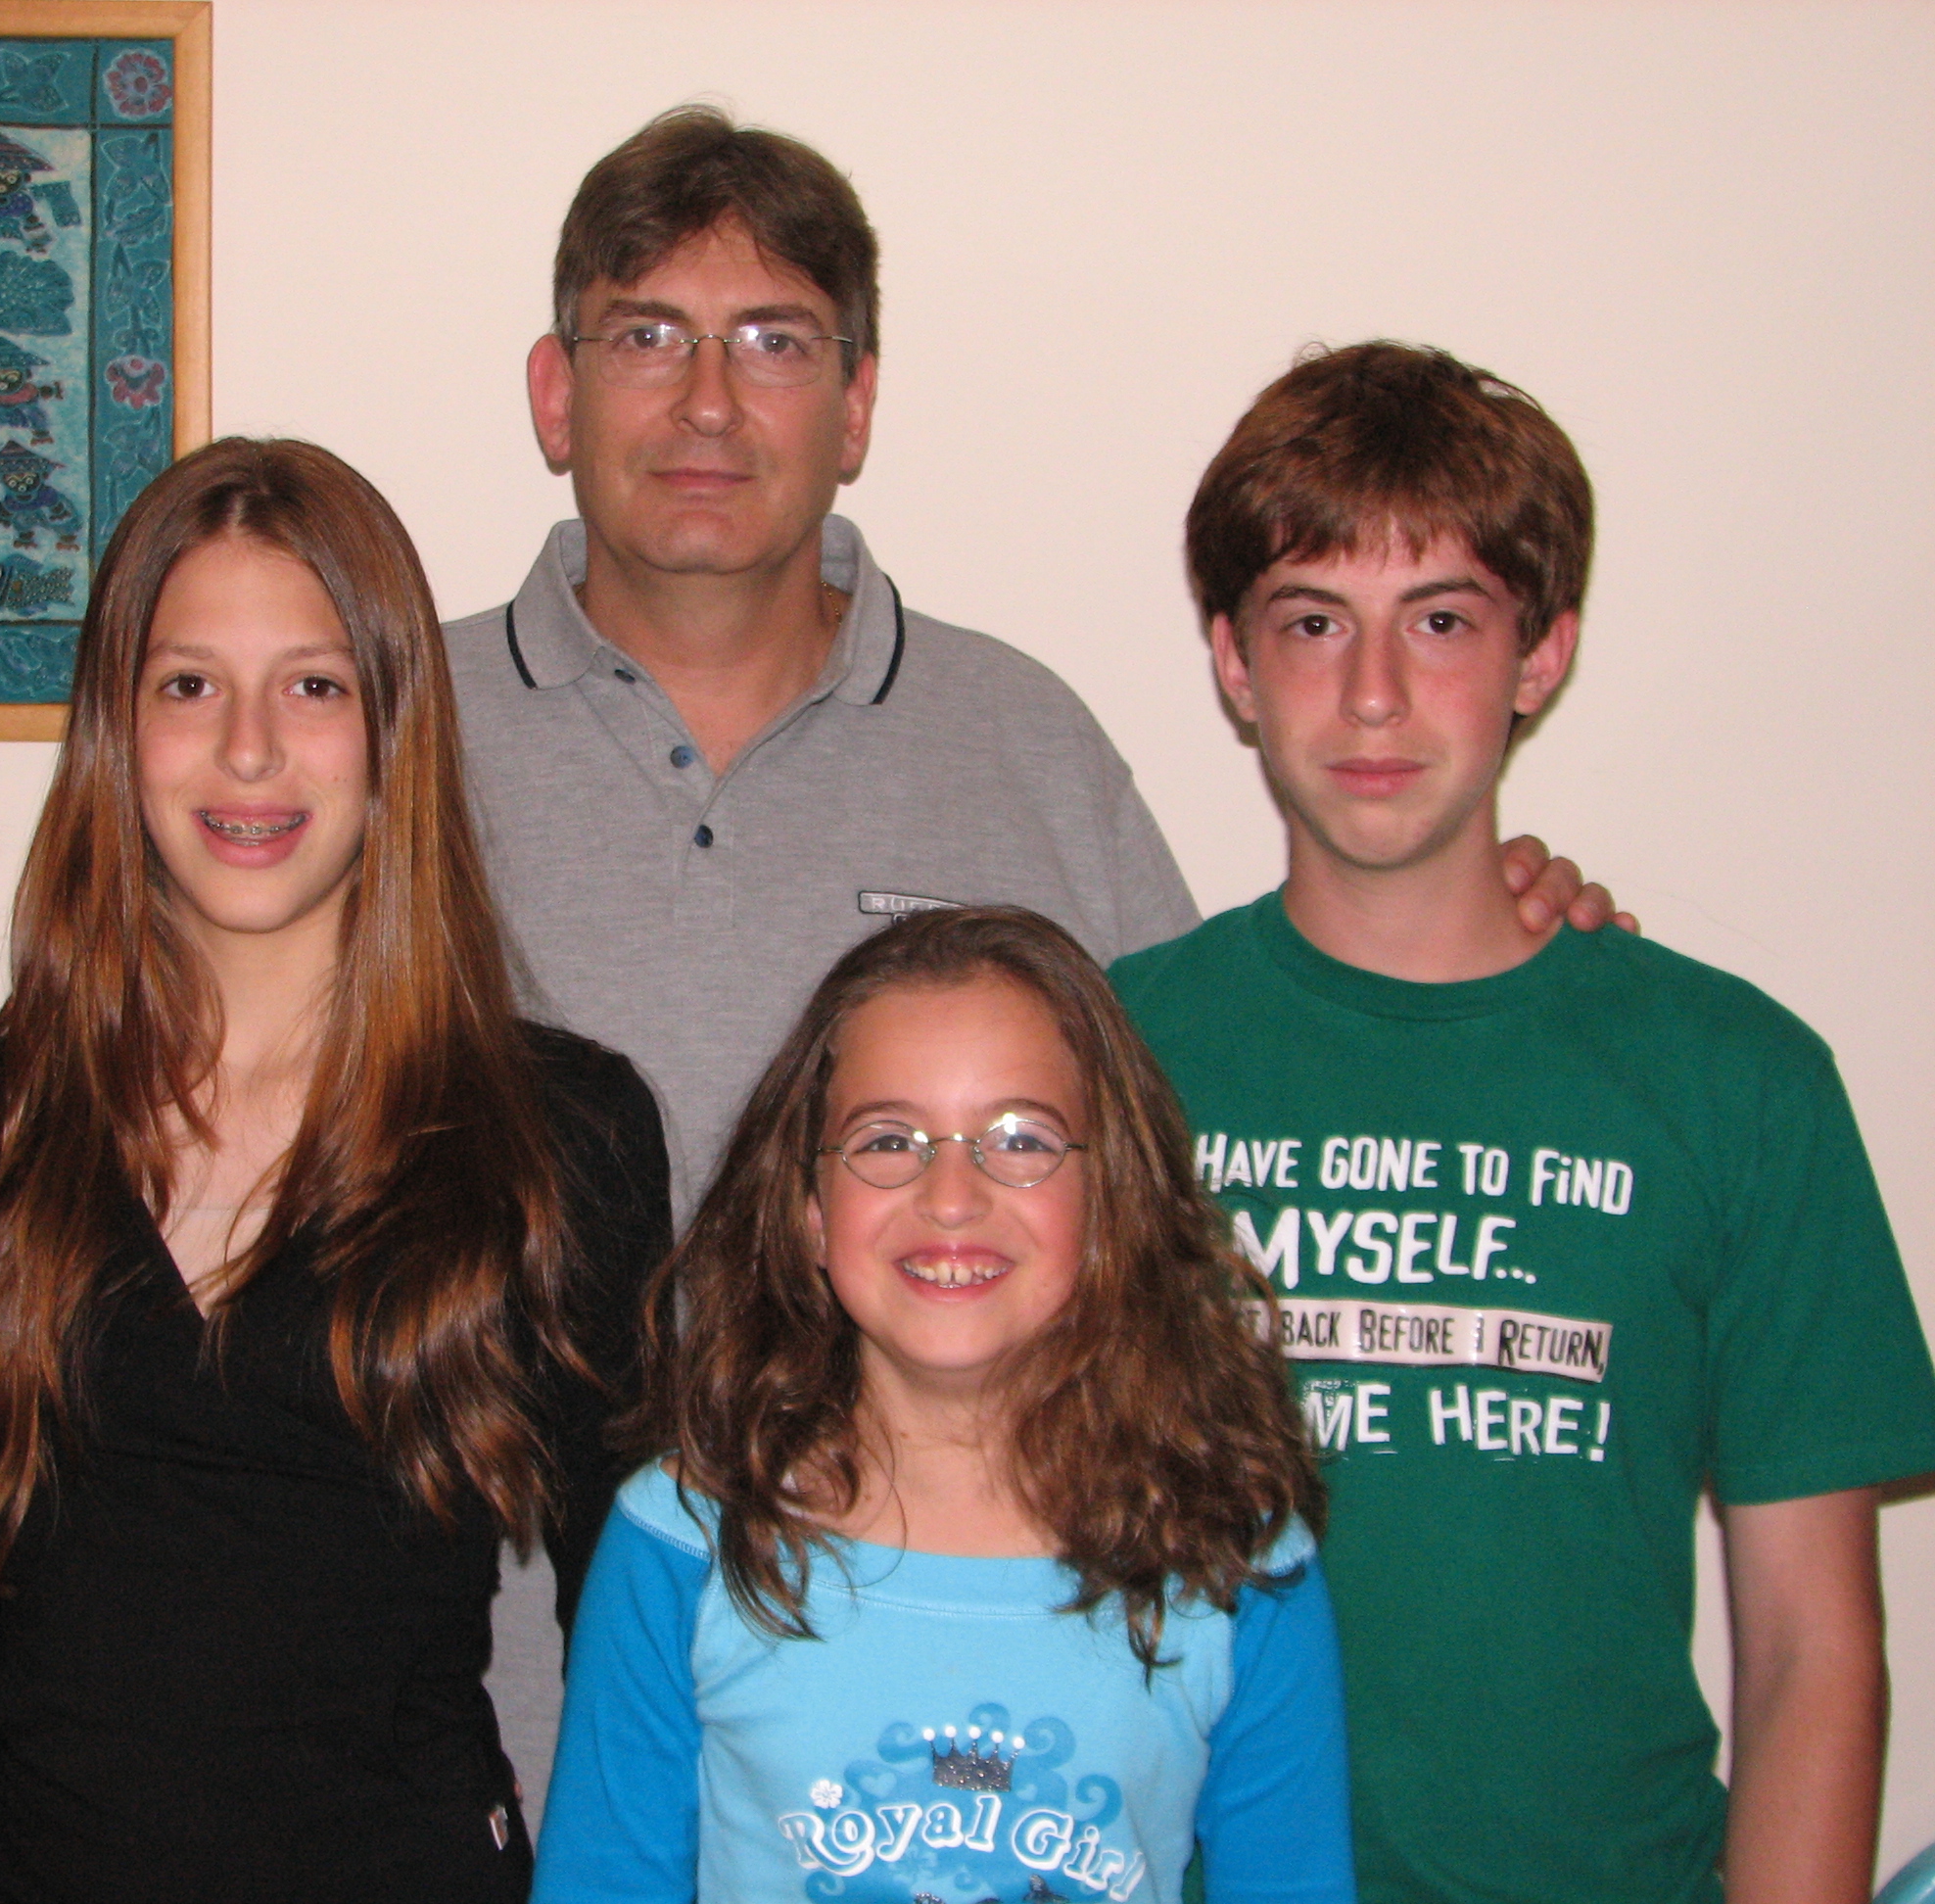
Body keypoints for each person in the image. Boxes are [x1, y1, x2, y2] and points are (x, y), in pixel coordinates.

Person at [448, 96, 1617, 1812]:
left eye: (773, 341)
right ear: (555, 394)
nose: (706, 400)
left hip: (962, 1769)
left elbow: (1204, 1132)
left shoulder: (1022, 742)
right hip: (478, 1742)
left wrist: (1485, 928)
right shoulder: (385, 741)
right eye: (646, 336)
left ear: (858, 404)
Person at [1109, 341, 1935, 1903]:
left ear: (1540, 654)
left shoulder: (1739, 1082)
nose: (1373, 693)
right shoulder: (1108, 1060)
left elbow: (1812, 1651)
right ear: (1233, 662)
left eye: (1441, 622)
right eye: (1312, 622)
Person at [0, 438, 672, 1901]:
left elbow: (646, 1652)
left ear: (395, 731)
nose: (252, 750)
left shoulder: (556, 1137)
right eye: (189, 686)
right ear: (116, 731)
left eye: (315, 686)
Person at [534, 905, 1352, 1904]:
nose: (952, 1195)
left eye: (1021, 1138)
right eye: (888, 1140)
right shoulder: (681, 1545)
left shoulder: (1237, 1561)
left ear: (1112, 1198)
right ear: (808, 1211)